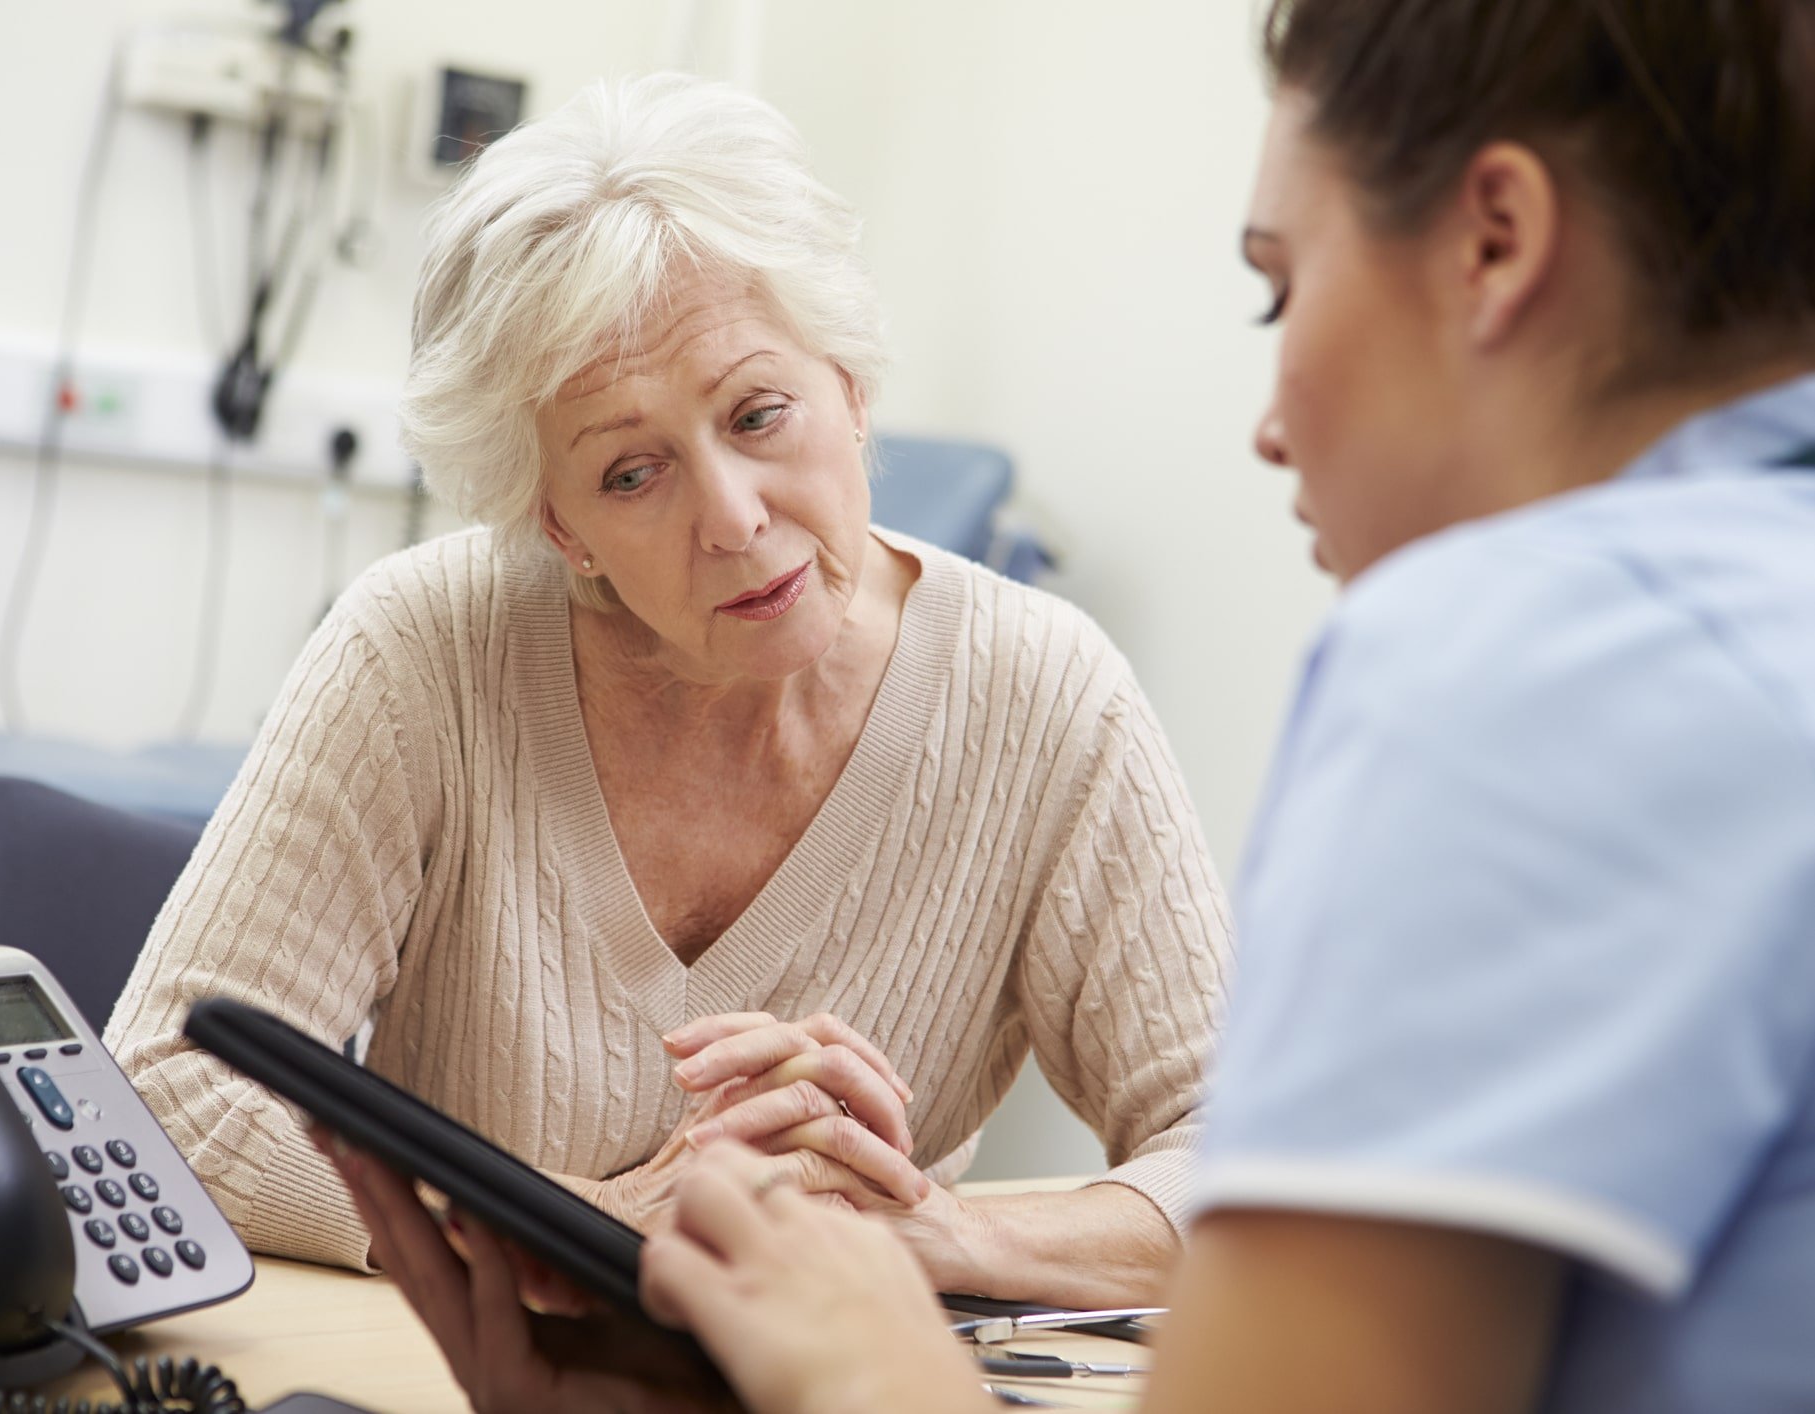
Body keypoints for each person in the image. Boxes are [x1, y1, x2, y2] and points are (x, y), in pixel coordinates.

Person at [328, 2, 1815, 1411]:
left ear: (1495, 241)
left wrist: (862, 1343)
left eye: (1274, 284)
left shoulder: (1515, 657)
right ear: (563, 526)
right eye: (630, 470)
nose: (1269, 416)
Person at [105, 72, 1232, 1308]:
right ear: (561, 524)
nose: (736, 519)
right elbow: (166, 1086)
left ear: (850, 391)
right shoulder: (422, 652)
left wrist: (939, 1237)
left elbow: (1251, 1163)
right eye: (634, 473)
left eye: (760, 414)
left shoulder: (1048, 698)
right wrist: (568, 1233)